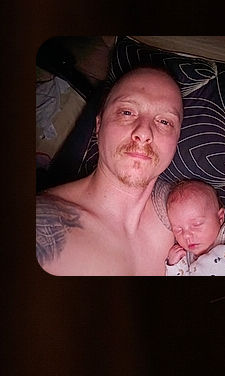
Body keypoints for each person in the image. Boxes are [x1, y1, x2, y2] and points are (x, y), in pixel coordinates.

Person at [35, 66, 182, 276]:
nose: (143, 132)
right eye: (127, 112)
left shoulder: (184, 213)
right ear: (98, 125)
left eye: (164, 121)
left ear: (176, 141)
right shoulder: (44, 227)